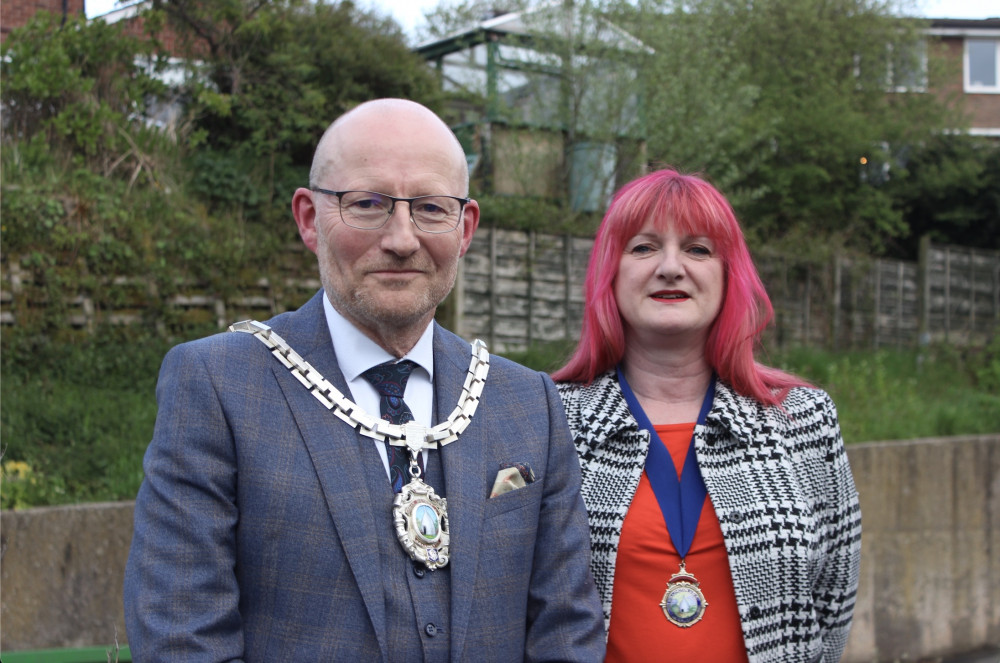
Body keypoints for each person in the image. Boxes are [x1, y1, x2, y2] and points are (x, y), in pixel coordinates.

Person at [124, 98, 605, 662]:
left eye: (429, 207)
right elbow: (183, 639)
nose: (402, 239)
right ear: (309, 218)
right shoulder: (219, 385)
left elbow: (566, 632)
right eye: (369, 204)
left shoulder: (526, 402)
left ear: (465, 227)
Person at [552, 169, 862, 663]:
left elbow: (831, 606)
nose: (671, 267)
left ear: (728, 274)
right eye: (643, 247)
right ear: (609, 272)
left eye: (698, 249)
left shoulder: (805, 422)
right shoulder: (548, 420)